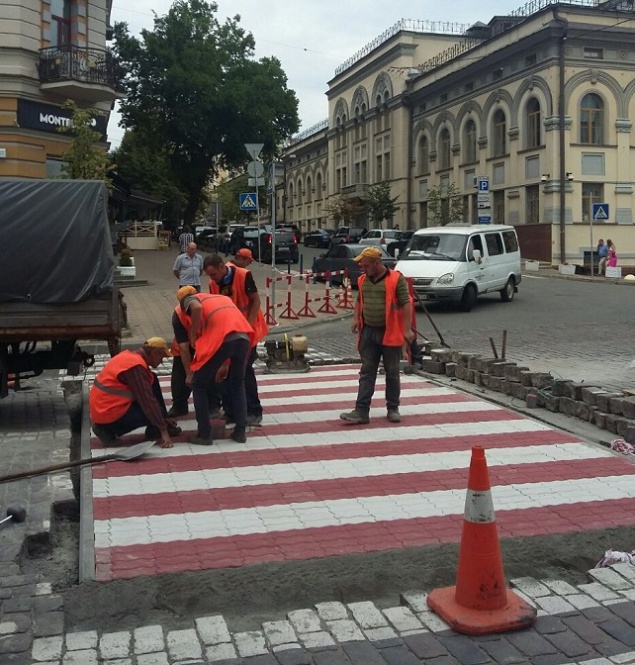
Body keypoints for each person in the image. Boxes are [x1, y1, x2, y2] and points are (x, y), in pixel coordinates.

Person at [340, 247, 414, 425]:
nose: (363, 268)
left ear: (377, 263)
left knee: (392, 372)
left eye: (366, 265)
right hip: (369, 332)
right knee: (367, 372)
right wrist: (356, 319)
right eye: (362, 265)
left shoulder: (396, 280)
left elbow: (406, 303)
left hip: (390, 332)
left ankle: (393, 408)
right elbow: (359, 300)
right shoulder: (363, 280)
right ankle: (361, 411)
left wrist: (407, 329)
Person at [179, 291, 253, 445]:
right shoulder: (221, 298)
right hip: (244, 338)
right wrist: (225, 363)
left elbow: (197, 308)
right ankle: (240, 432)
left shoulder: (191, 300)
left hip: (224, 341)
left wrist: (193, 335)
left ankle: (204, 434)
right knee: (238, 384)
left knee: (198, 384)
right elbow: (227, 323)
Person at [203, 253, 268, 426]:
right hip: (229, 330)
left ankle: (254, 411)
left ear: (221, 267)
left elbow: (255, 301)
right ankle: (231, 412)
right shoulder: (213, 284)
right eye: (210, 276)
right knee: (225, 371)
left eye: (213, 274)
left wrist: (248, 326)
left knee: (244, 369)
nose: (212, 279)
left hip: (248, 329)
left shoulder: (243, 275)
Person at [89, 337, 182, 449]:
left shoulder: (131, 357)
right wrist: (163, 430)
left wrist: (164, 419)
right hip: (106, 411)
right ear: (155, 353)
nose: (161, 362)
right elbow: (147, 401)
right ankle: (106, 430)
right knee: (153, 411)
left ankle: (157, 427)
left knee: (153, 379)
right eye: (161, 357)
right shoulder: (135, 367)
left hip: (105, 405)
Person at [168, 285, 223, 418]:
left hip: (205, 343)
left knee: (210, 371)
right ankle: (179, 405)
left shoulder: (206, 309)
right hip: (186, 344)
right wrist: (189, 374)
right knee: (180, 374)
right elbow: (184, 347)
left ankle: (213, 405)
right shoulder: (178, 316)